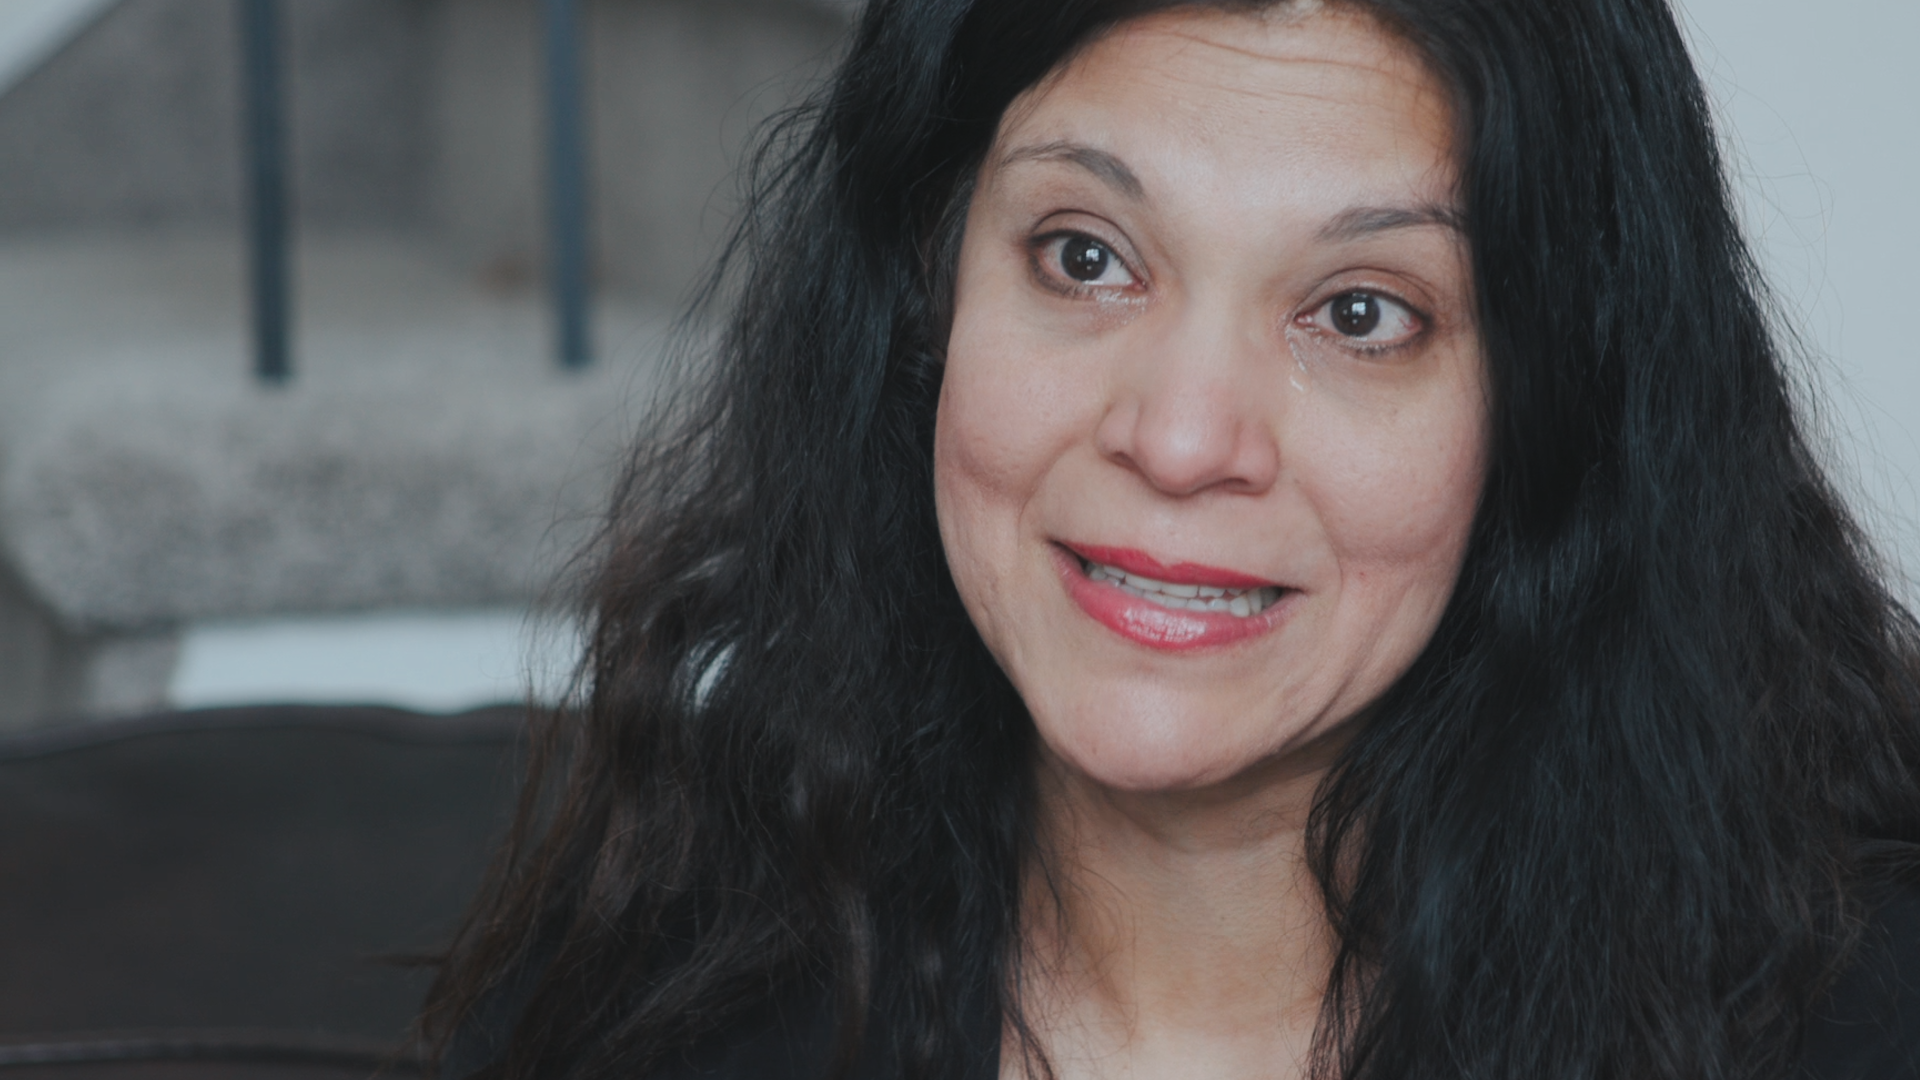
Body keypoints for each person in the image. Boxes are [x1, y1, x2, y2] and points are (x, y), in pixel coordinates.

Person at [423, 0, 1920, 1077]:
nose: (1184, 437)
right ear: (923, 304)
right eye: (1085, 257)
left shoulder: (1856, 1020)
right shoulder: (640, 999)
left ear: (1554, 413)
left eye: (1360, 313)